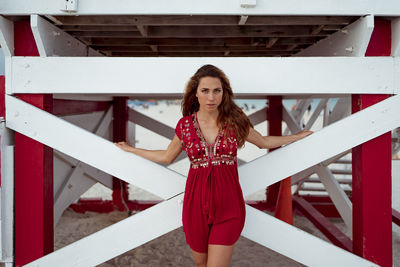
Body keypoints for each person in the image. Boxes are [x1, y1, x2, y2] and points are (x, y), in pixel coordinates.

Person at [114, 64, 313, 267]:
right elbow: (167, 156)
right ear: (196, 94)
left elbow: (263, 142)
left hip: (229, 207)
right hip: (195, 208)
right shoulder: (185, 125)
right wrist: (132, 150)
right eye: (205, 91)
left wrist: (296, 137)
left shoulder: (235, 121)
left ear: (224, 93)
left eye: (217, 91)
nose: (211, 97)